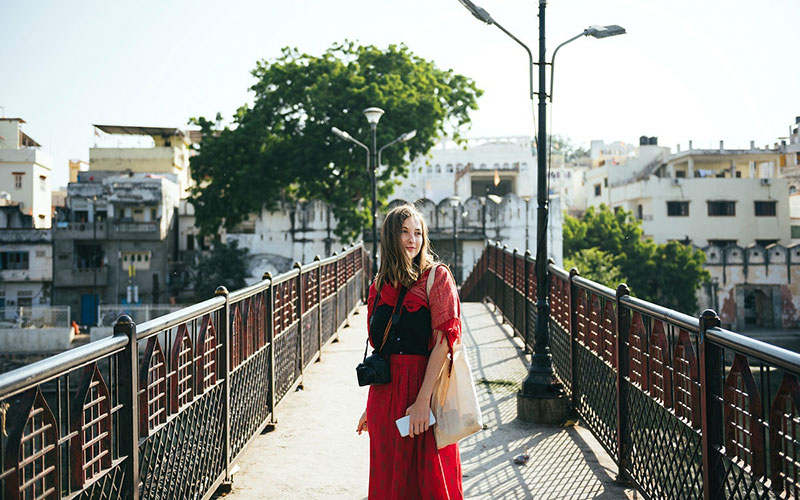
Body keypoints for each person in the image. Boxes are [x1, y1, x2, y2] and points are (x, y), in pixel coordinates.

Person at [356, 204, 463, 500]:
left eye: (417, 232)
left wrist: (421, 402)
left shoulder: (436, 278)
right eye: (404, 232)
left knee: (428, 481)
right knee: (388, 483)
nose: (411, 239)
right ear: (390, 237)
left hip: (421, 391)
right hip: (384, 398)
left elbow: (444, 344)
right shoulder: (378, 286)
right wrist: (370, 407)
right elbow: (382, 348)